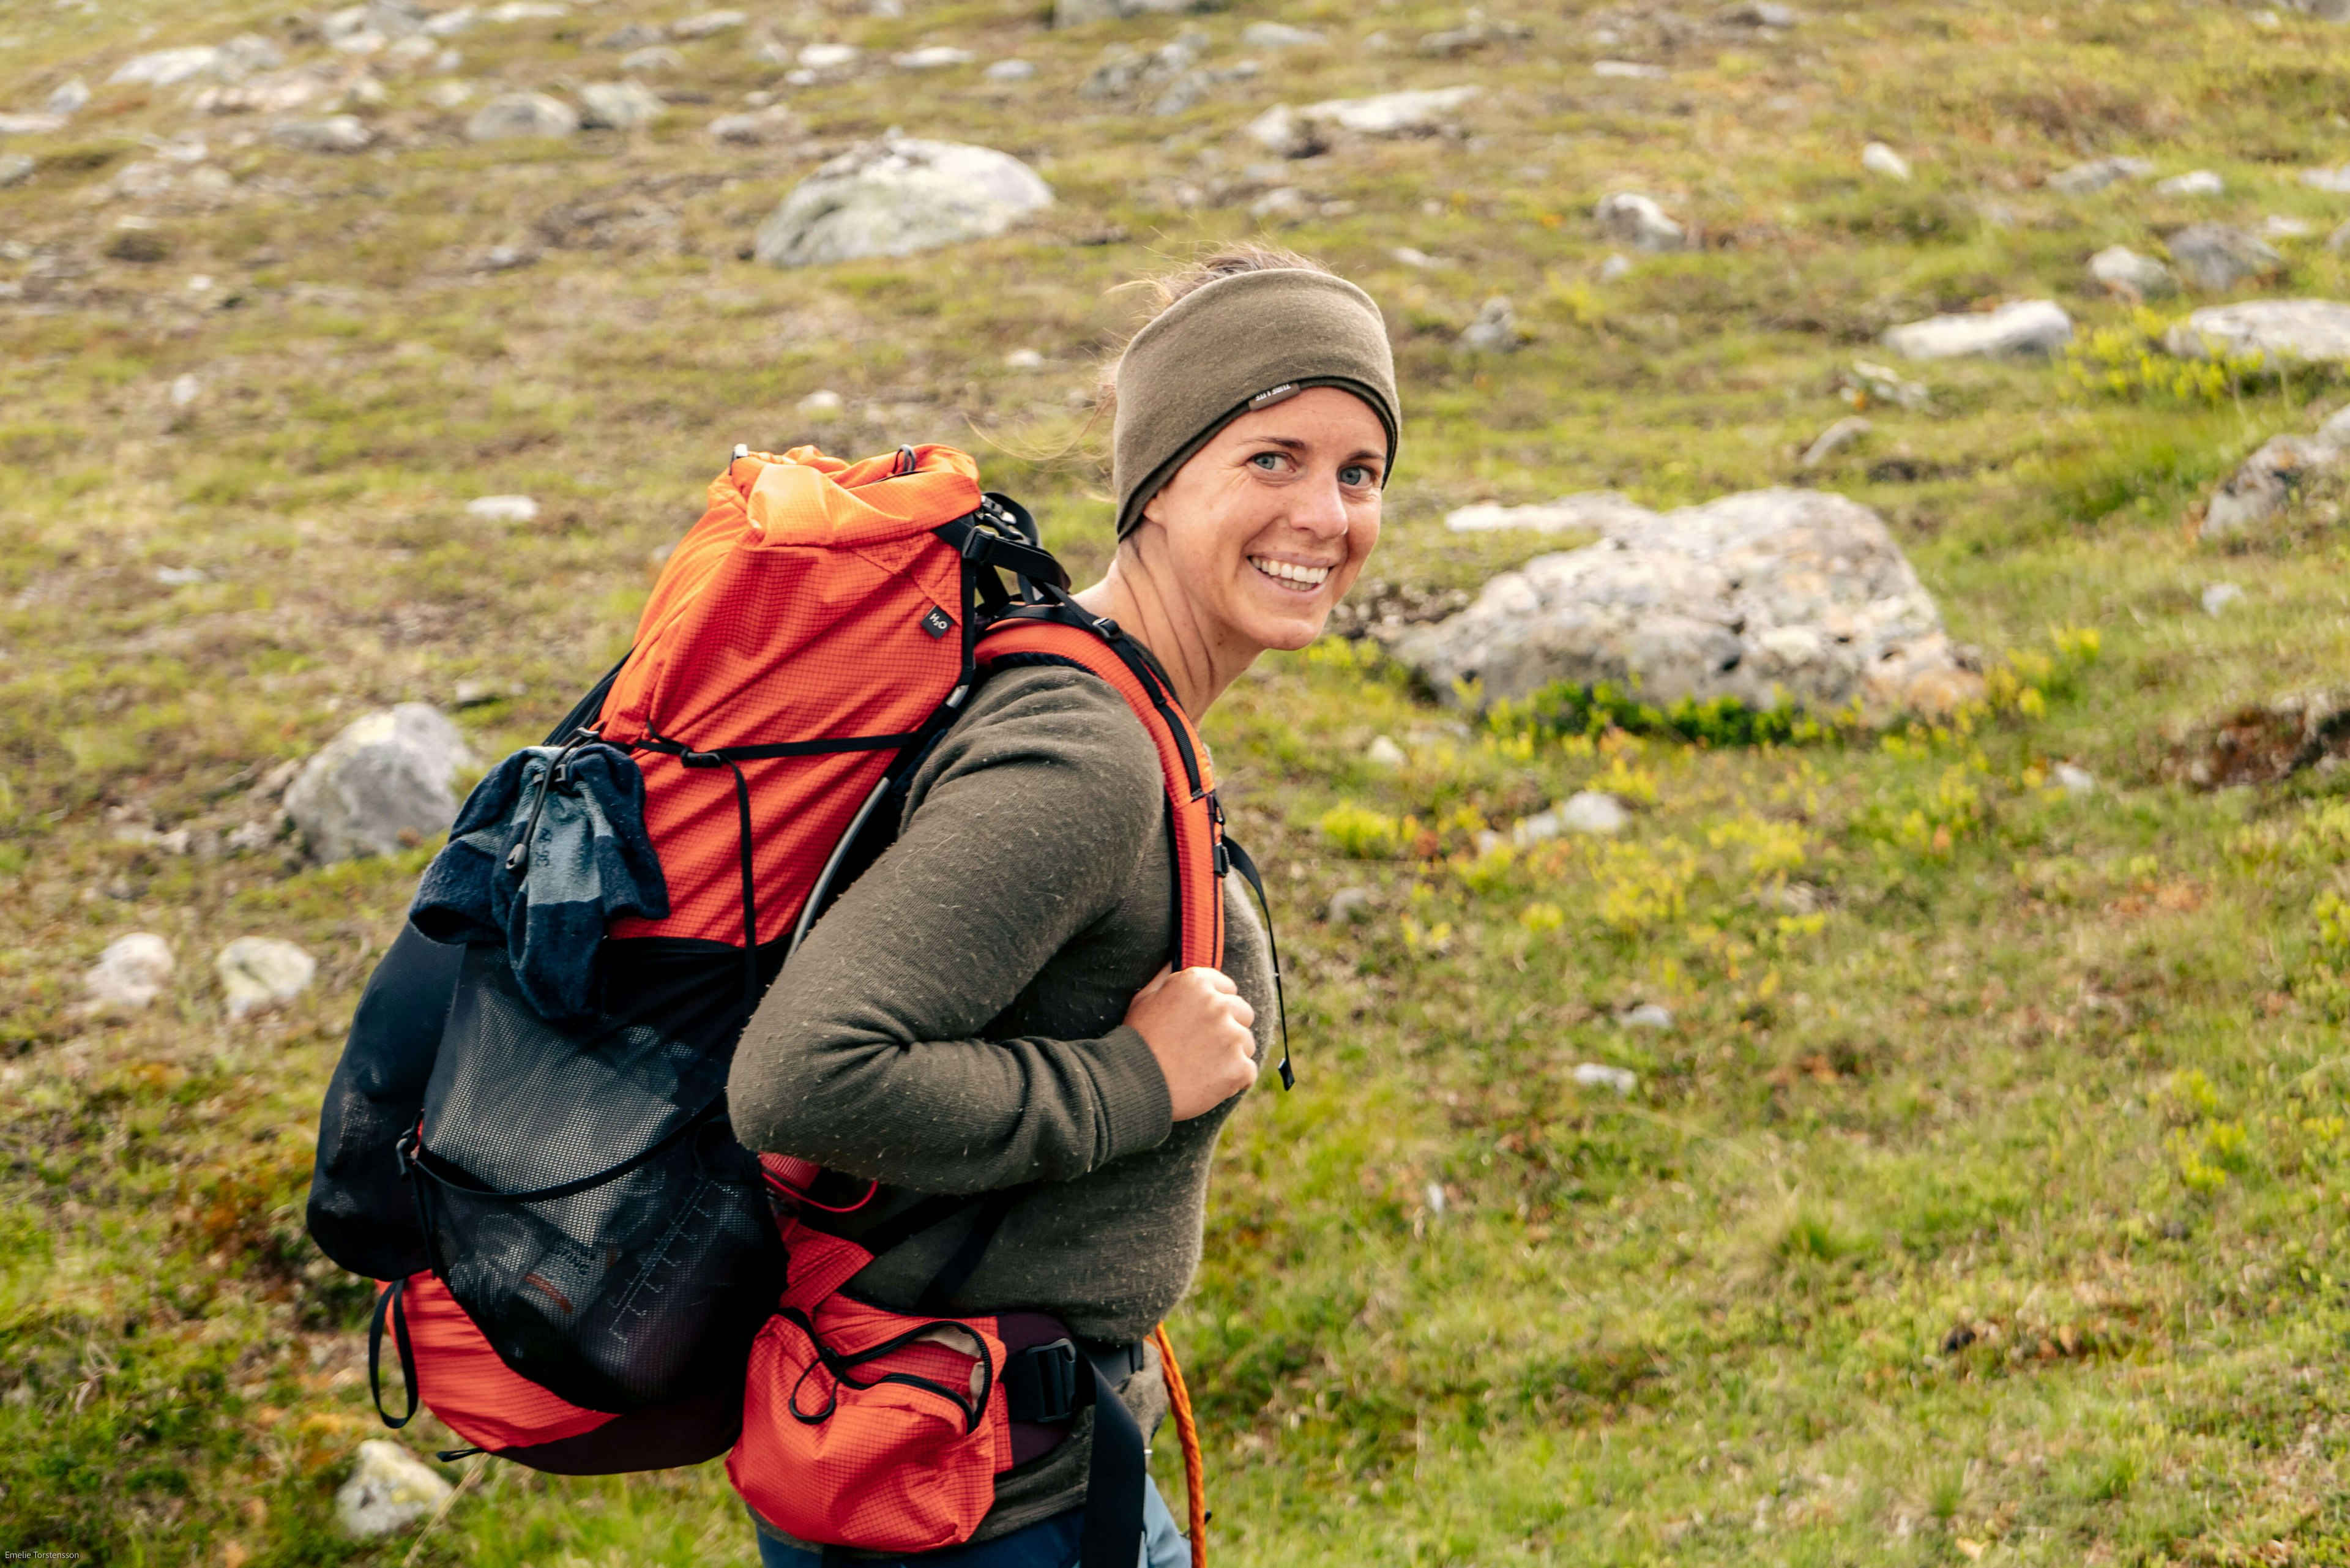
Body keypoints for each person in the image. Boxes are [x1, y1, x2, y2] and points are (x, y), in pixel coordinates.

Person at [726, 245, 1401, 1567]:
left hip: (998, 1452)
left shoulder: (1114, 698)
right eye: (1272, 459)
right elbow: (801, 1078)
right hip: (970, 1498)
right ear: (1156, 484)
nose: (1327, 516)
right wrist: (1132, 1084)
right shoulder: (1081, 755)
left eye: (1359, 471)